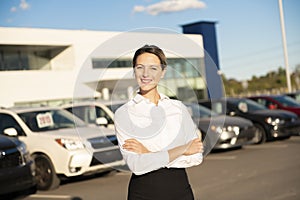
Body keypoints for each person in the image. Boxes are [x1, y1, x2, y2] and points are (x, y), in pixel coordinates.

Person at [114, 44, 203, 200]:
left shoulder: (178, 108)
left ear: (163, 72)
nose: (146, 74)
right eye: (140, 67)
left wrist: (149, 153)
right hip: (144, 193)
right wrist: (182, 149)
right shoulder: (124, 114)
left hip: (181, 191)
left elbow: (196, 155)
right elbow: (137, 165)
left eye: (153, 68)